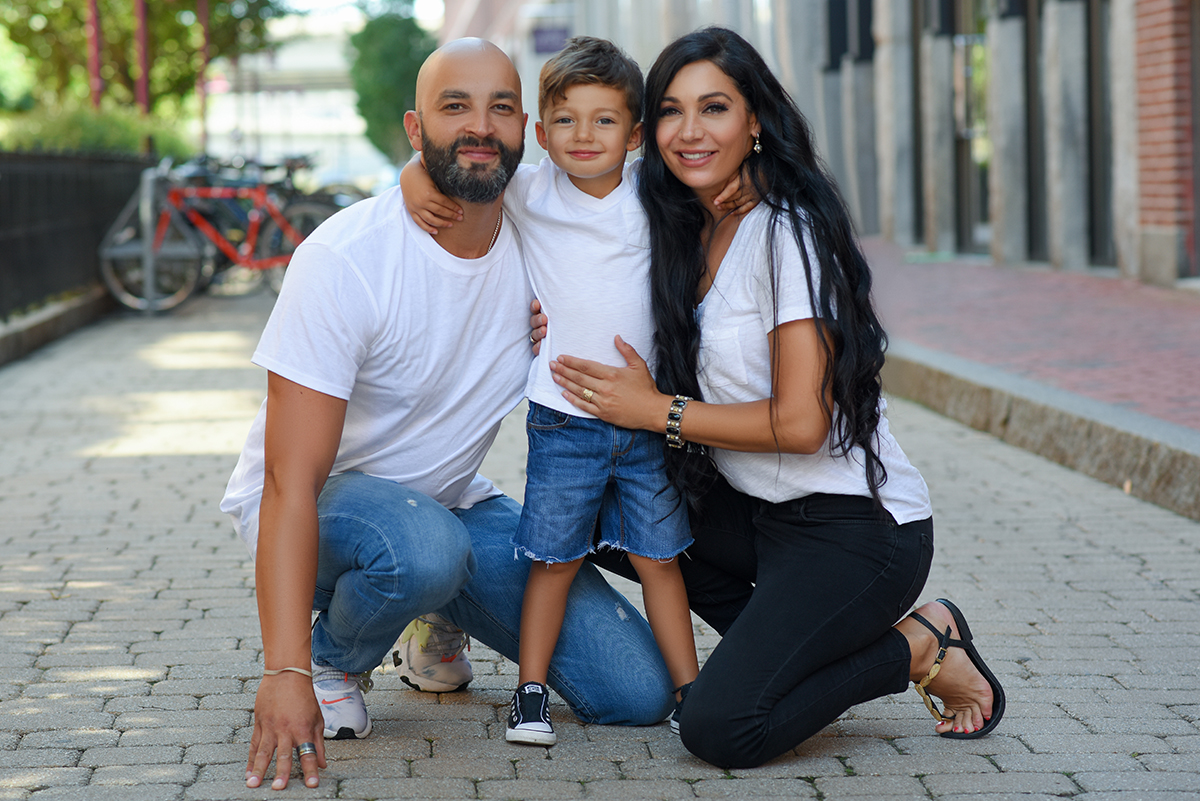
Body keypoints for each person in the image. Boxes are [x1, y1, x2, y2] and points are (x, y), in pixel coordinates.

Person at [546, 27, 1006, 769]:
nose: (690, 132)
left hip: (853, 529)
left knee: (724, 727)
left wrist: (654, 409)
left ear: (755, 120)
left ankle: (922, 640)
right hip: (755, 514)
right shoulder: (685, 222)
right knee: (588, 506)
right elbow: (556, 201)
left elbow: (803, 422)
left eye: (716, 108)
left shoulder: (789, 233)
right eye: (670, 110)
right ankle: (792, 635)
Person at [220, 39, 674, 792]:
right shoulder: (347, 258)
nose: (480, 126)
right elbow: (286, 479)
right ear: (413, 126)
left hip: (454, 506)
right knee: (421, 548)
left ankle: (429, 621)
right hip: (327, 505)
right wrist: (285, 668)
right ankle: (336, 654)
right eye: (454, 106)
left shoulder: (541, 229)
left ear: (526, 130)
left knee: (636, 692)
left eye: (500, 107)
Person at [402, 37, 712, 747]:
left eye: (605, 121)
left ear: (636, 135)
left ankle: (692, 689)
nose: (583, 136)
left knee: (659, 559)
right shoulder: (531, 190)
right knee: (553, 558)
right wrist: (411, 179)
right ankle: (531, 694)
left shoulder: (654, 193)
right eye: (566, 121)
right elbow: (454, 173)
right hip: (564, 419)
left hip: (645, 419)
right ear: (541, 134)